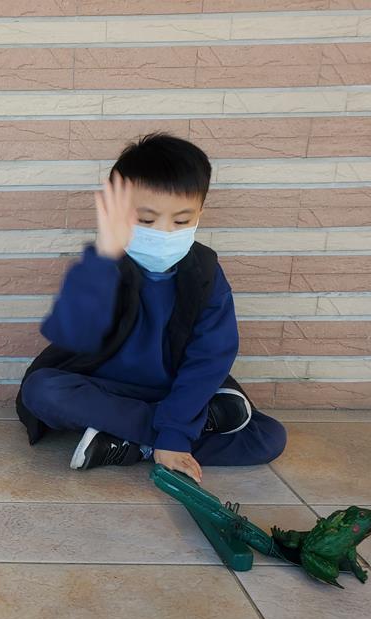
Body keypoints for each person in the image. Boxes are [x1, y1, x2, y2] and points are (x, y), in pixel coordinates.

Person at [16, 133, 285, 482]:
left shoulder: (204, 274)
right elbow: (72, 330)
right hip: (105, 388)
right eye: (146, 221)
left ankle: (132, 444)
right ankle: (170, 434)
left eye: (181, 221)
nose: (164, 232)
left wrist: (175, 427)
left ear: (200, 214)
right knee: (42, 391)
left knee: (268, 438)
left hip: (172, 389)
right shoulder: (105, 265)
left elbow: (211, 356)